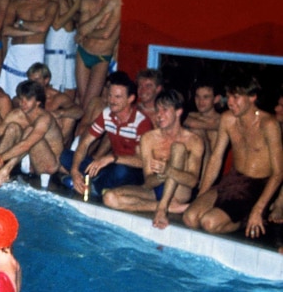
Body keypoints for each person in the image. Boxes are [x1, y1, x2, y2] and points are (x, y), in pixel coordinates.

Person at [183, 74, 283, 238]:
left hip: (256, 186)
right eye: (229, 96)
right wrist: (201, 194)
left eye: (236, 97)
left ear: (252, 97)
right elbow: (216, 158)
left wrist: (258, 210)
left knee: (209, 223)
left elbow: (279, 173)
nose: (230, 102)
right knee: (190, 218)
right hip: (233, 180)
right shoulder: (227, 119)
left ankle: (248, 217)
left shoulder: (269, 124)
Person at [102, 89, 204, 229]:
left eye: (165, 110)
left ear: (178, 112)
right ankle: (168, 207)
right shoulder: (149, 138)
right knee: (109, 198)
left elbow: (192, 181)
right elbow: (149, 181)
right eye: (157, 110)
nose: (159, 115)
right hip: (155, 190)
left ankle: (163, 208)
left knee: (178, 148)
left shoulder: (194, 141)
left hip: (178, 192)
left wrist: (168, 170)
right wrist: (162, 175)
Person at [62, 71, 152, 198]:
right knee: (66, 156)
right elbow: (84, 143)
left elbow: (142, 161)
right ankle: (92, 182)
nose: (111, 100)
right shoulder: (107, 114)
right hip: (111, 165)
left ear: (130, 99)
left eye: (117, 97)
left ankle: (94, 186)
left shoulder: (141, 122)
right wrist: (75, 170)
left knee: (121, 171)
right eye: (110, 95)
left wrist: (111, 158)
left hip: (133, 171)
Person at [0, 79, 63, 189]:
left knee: (30, 131)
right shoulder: (17, 114)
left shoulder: (44, 119)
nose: (22, 103)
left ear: (38, 102)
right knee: (12, 128)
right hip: (26, 161)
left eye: (28, 99)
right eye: (21, 99)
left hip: (47, 166)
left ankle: (5, 170)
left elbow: (26, 144)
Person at [0, 0, 57, 99]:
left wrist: (20, 23)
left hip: (34, 52)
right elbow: (6, 30)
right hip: (15, 52)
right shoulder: (16, 2)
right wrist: (31, 30)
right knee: (8, 95)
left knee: (30, 95)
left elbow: (43, 27)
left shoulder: (50, 4)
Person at [76, 0, 121, 111]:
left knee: (89, 104)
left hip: (101, 56)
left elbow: (106, 34)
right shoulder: (88, 0)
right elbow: (81, 30)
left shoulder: (117, 1)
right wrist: (104, 12)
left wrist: (87, 32)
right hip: (83, 53)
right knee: (83, 102)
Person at [43, 0, 81, 96]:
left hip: (70, 41)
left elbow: (75, 17)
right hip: (57, 41)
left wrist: (76, 8)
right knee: (54, 88)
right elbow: (56, 23)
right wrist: (76, 6)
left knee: (70, 87)